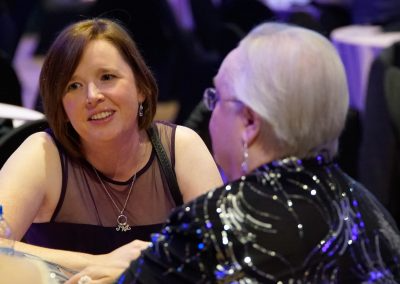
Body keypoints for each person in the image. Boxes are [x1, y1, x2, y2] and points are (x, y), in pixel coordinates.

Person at [69, 22, 400, 283]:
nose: (209, 116)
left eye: (217, 99)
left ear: (250, 122)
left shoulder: (213, 224)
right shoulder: (372, 215)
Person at [0, 18, 222, 273]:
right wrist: (99, 263)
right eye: (74, 86)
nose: (92, 96)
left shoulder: (181, 148)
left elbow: (219, 253)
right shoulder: (42, 153)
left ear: (141, 87)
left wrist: (143, 268)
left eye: (107, 77)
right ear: (61, 105)